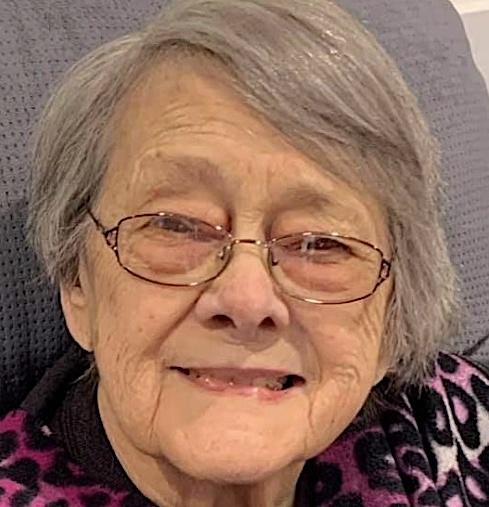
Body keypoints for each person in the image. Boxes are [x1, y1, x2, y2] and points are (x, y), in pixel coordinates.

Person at [0, 0, 488, 505]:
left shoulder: (451, 423)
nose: (247, 300)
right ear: (78, 282)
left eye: (321, 244)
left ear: (394, 316)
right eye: (175, 226)